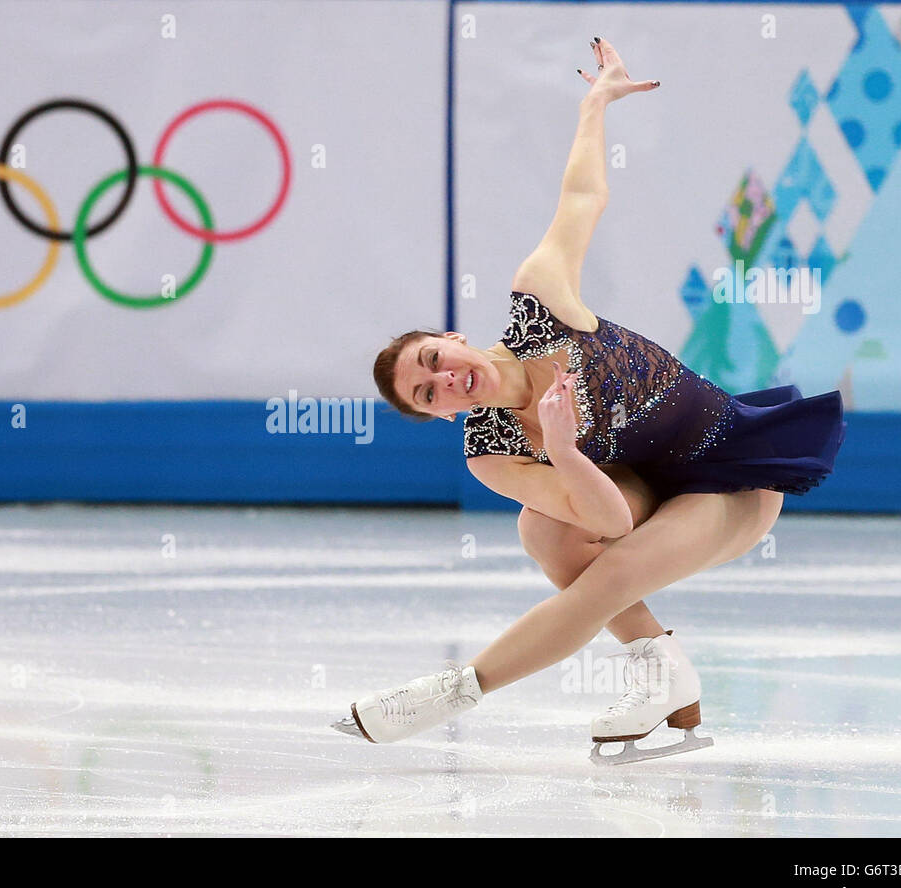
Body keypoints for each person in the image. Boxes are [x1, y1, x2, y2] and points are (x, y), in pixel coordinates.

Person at [334, 37, 846, 764]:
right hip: (637, 493)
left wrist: (596, 103)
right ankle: (660, 669)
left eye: (432, 360)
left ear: (452, 337)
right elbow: (606, 518)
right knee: (542, 532)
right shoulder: (491, 453)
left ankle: (453, 691)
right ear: (442, 415)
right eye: (428, 394)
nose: (444, 379)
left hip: (729, 475)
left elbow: (582, 196)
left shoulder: (540, 301)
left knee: (611, 575)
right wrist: (565, 449)